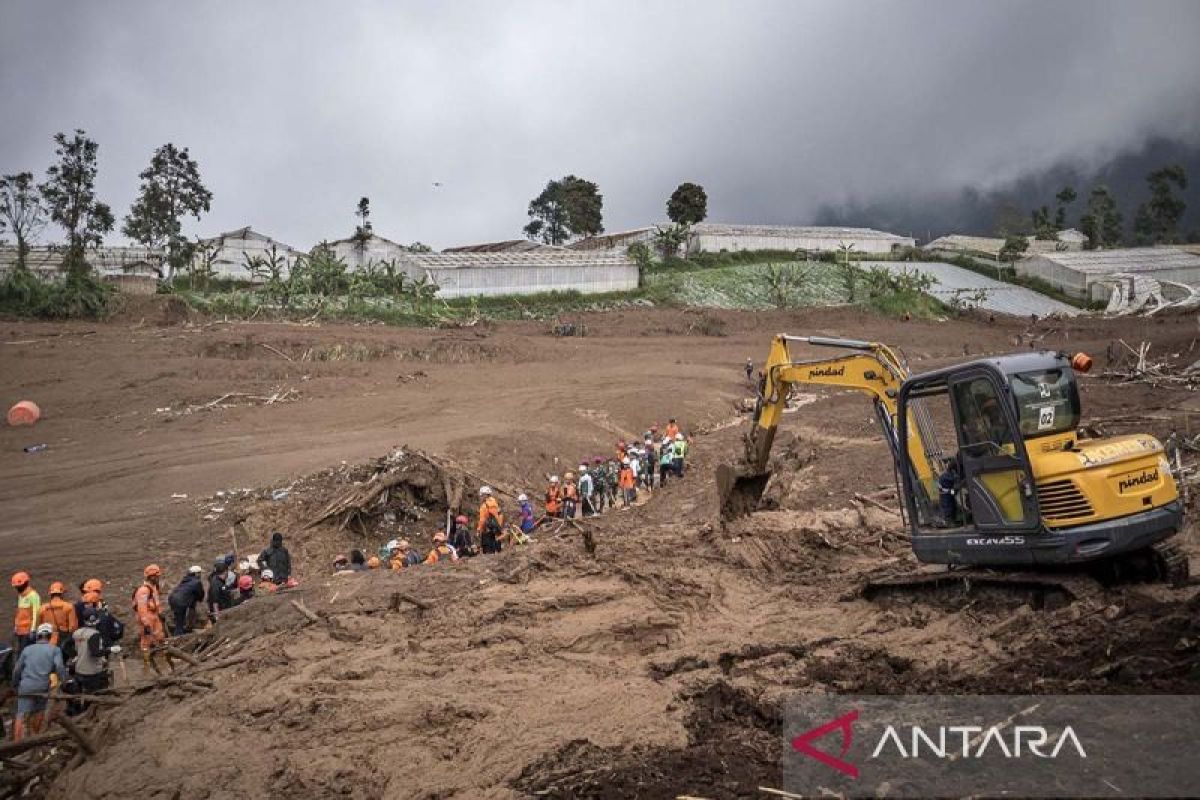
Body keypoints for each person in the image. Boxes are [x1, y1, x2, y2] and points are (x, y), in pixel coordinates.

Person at [11, 623, 66, 741]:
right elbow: (59, 667)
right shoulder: (55, 650)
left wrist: (15, 684)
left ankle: (17, 742)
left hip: (26, 687)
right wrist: (63, 681)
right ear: (50, 636)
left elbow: (17, 669)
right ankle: (34, 738)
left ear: (37, 636)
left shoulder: (27, 649)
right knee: (39, 711)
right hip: (42, 687)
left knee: (21, 713)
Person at [70, 611, 117, 711]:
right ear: (97, 621)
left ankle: (76, 712)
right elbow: (95, 653)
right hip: (92, 671)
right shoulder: (95, 635)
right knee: (92, 695)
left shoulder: (77, 633)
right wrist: (110, 649)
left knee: (78, 694)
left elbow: (74, 650)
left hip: (79, 669)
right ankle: (89, 712)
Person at [133, 564, 169, 674]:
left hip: (154, 616)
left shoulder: (154, 588)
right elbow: (142, 608)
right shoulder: (143, 590)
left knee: (160, 637)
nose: (158, 578)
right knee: (146, 642)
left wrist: (160, 613)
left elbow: (156, 602)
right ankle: (147, 665)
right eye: (157, 576)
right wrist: (146, 624)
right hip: (147, 617)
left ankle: (163, 661)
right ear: (151, 577)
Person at [167, 566, 206, 637]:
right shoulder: (197, 582)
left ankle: (179, 632)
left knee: (179, 620)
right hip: (180, 601)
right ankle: (178, 637)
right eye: (199, 573)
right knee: (180, 621)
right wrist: (199, 599)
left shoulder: (185, 579)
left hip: (173, 599)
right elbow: (200, 594)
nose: (200, 575)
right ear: (196, 574)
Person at [39, 581, 78, 650]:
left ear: (50, 594)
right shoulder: (69, 606)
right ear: (62, 594)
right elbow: (72, 627)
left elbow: (40, 626)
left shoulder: (43, 608)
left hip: (48, 639)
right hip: (63, 639)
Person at [11, 572, 41, 658]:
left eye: (18, 586)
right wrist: (16, 627)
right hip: (20, 631)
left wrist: (33, 630)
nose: (17, 588)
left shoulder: (33, 596)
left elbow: (36, 614)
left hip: (28, 631)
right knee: (20, 652)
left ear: (25, 584)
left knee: (26, 653)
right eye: (16, 587)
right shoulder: (21, 596)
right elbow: (19, 613)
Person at [477, 486, 504, 554]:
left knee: (487, 548)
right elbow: (500, 515)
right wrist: (499, 526)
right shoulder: (495, 503)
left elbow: (482, 520)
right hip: (496, 528)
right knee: (496, 545)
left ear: (485, 495)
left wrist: (479, 529)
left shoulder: (484, 506)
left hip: (487, 529)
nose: (481, 497)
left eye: (482, 495)